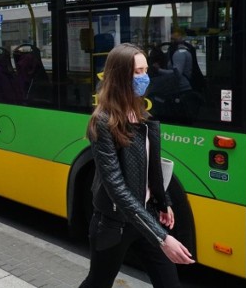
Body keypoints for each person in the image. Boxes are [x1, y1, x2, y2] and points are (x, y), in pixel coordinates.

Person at [79, 43, 194, 288]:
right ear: (121, 77)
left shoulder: (139, 111)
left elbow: (149, 167)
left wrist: (164, 202)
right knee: (98, 282)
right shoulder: (102, 121)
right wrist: (163, 238)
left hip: (146, 217)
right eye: (138, 72)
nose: (145, 77)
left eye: (145, 70)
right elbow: (117, 189)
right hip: (114, 224)